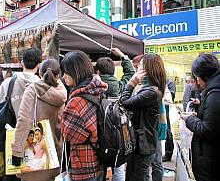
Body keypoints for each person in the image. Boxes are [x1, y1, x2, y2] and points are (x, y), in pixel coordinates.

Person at [11, 58, 67, 181]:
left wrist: (17, 151)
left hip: (35, 149)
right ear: (59, 75)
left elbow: (24, 121)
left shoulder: (32, 90)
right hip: (55, 151)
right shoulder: (62, 92)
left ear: (40, 73)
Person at [61, 51, 107, 181]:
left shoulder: (76, 101)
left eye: (66, 72)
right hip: (101, 157)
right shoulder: (98, 90)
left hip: (84, 163)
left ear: (76, 72)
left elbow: (69, 135)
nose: (64, 76)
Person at [119, 53, 166, 181]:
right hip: (143, 143)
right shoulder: (150, 90)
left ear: (148, 69)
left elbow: (124, 103)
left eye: (140, 66)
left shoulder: (150, 92)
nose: (137, 70)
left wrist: (131, 83)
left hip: (143, 145)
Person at [95, 47, 135, 181]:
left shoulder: (95, 88)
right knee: (118, 166)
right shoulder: (121, 86)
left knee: (101, 165)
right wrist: (122, 55)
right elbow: (130, 72)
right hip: (119, 132)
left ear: (98, 72)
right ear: (113, 71)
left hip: (101, 133)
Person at [180, 53, 220, 181]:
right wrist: (198, 116)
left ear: (204, 76)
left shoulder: (215, 94)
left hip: (210, 163)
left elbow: (209, 130)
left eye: (196, 77)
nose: (196, 82)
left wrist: (189, 119)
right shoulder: (213, 91)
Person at [0, 48, 42, 119]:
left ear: (22, 63)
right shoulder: (42, 86)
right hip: (37, 129)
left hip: (11, 128)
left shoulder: (7, 83)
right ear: (39, 65)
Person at [162, 78, 176, 162]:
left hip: (165, 106)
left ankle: (169, 152)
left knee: (167, 129)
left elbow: (171, 97)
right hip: (163, 105)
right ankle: (168, 152)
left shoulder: (168, 82)